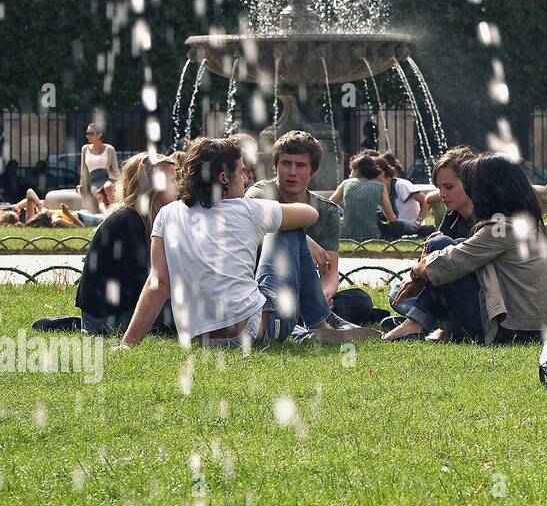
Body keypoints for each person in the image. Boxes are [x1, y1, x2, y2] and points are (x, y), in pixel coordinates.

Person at [117, 137, 375, 349]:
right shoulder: (249, 210)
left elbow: (158, 285)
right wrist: (298, 233)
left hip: (203, 340)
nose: (247, 179)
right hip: (257, 328)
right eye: (241, 172)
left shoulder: (168, 213)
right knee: (289, 229)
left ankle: (311, 330)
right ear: (223, 178)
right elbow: (311, 214)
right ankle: (319, 324)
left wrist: (127, 344)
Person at [382, 154, 547, 343]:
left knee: (441, 247)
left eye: (473, 185)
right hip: (531, 326)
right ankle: (429, 324)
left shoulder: (502, 229)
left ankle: (415, 324)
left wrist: (416, 272)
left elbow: (446, 263)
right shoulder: (524, 222)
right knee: (441, 253)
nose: (471, 191)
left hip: (513, 330)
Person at [31, 153, 180, 335]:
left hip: (108, 312)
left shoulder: (139, 218)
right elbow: (142, 285)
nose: (178, 187)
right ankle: (87, 326)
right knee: (185, 313)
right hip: (106, 317)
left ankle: (80, 325)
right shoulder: (128, 220)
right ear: (153, 187)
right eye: (173, 181)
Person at [247, 131, 343, 306]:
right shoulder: (260, 193)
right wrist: (303, 239)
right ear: (275, 166)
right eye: (286, 164)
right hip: (263, 287)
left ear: (313, 171)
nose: (292, 172)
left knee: (359, 301)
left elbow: (330, 272)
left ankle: (302, 312)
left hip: (304, 289)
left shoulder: (327, 210)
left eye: (301, 165)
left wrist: (323, 294)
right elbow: (254, 217)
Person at [328, 152, 396, 242]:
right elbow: (391, 218)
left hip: (347, 234)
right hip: (372, 235)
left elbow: (328, 205)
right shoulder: (380, 187)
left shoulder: (346, 183)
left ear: (356, 170)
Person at [79, 123, 121, 213]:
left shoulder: (109, 149)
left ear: (99, 134)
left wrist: (115, 181)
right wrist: (82, 184)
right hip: (94, 180)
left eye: (91, 133)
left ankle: (115, 213)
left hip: (107, 177)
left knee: (108, 187)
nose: (88, 136)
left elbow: (115, 168)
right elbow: (83, 169)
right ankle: (107, 215)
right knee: (99, 197)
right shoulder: (85, 149)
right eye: (87, 133)